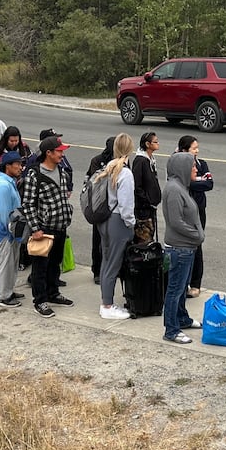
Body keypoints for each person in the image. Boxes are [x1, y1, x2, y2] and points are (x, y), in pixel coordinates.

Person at [19, 136, 75, 319]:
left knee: (55, 263)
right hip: (44, 229)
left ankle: (53, 293)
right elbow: (27, 204)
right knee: (40, 267)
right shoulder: (35, 174)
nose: (62, 154)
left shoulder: (62, 171)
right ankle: (40, 300)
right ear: (48, 153)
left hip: (60, 227)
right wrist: (35, 228)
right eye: (59, 151)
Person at [161, 150, 204, 343]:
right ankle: (171, 330)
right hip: (179, 249)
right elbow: (175, 221)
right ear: (182, 168)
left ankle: (182, 318)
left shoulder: (181, 187)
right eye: (192, 165)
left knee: (182, 288)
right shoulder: (174, 190)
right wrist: (197, 235)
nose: (195, 168)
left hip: (187, 248)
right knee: (175, 290)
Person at [96, 133, 135, 321]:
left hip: (104, 219)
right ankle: (107, 305)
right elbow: (126, 205)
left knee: (106, 261)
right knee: (114, 263)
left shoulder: (108, 168)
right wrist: (132, 224)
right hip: (118, 220)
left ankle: (105, 300)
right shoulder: (125, 173)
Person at [176, 136, 213, 299]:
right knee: (183, 246)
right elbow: (180, 184)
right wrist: (197, 181)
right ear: (184, 150)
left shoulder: (201, 164)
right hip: (184, 211)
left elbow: (209, 184)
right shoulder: (178, 165)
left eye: (197, 148)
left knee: (197, 245)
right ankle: (182, 283)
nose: (197, 151)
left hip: (199, 211)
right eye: (193, 148)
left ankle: (195, 283)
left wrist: (192, 182)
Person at [0, 151, 26, 308]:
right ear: (8, 166)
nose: (20, 167)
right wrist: (12, 233)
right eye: (17, 164)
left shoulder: (9, 182)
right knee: (6, 263)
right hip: (6, 232)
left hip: (12, 232)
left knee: (13, 262)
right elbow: (5, 215)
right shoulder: (3, 185)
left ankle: (9, 290)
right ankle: (4, 296)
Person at [85, 136, 116, 285]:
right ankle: (97, 270)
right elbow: (94, 182)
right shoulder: (97, 160)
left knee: (112, 241)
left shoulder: (121, 160)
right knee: (98, 239)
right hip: (99, 206)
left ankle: (110, 269)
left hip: (114, 207)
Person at [129, 131, 162, 243]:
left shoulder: (150, 160)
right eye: (155, 142)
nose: (158, 143)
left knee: (151, 237)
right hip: (143, 210)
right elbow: (137, 185)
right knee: (144, 239)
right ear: (147, 144)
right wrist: (147, 201)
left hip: (150, 208)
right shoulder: (140, 161)